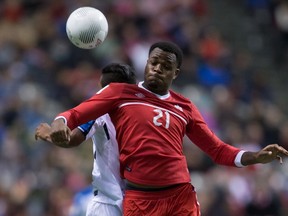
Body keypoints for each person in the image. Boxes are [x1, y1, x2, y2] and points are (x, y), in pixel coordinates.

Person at [46, 41, 288, 216]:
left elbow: (218, 150)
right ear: (146, 63)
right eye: (154, 62)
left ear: (176, 73)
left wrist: (256, 157)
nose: (158, 68)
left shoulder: (184, 106)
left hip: (179, 197)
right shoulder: (120, 93)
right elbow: (75, 114)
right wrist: (59, 122)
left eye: (166, 65)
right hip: (139, 199)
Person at [35, 63, 137, 216]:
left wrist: (48, 134)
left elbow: (72, 140)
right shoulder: (147, 111)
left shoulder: (100, 111)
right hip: (142, 200)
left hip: (108, 202)